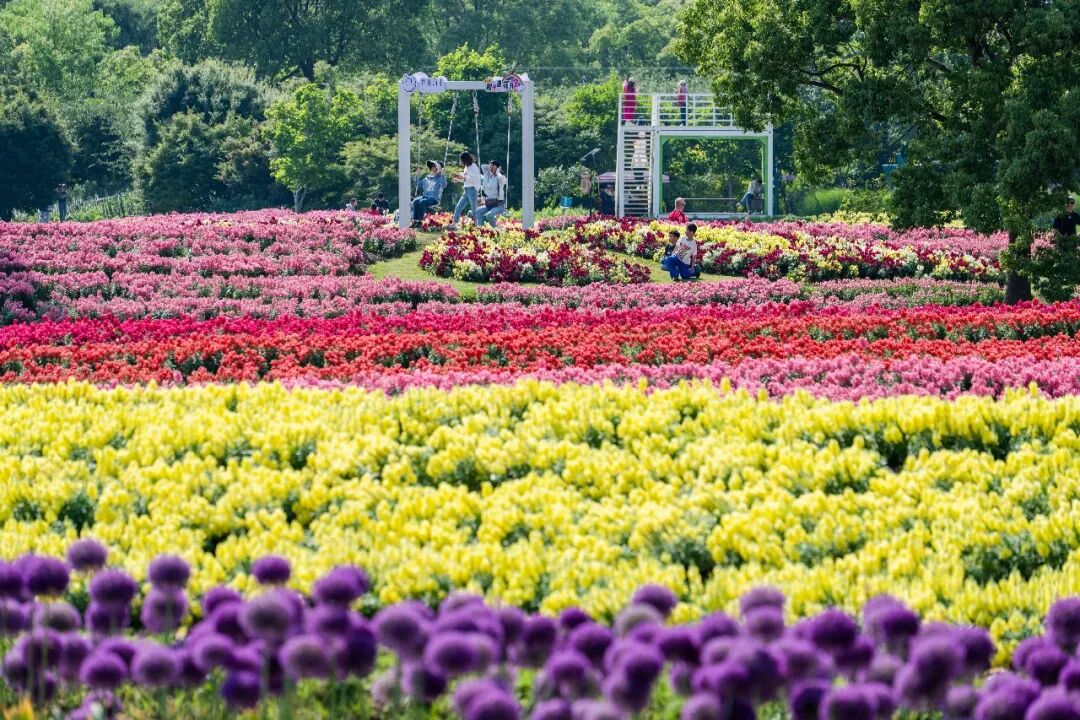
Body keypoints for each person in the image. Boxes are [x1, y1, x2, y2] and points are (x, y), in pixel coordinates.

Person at [449, 152, 481, 230]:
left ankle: (478, 226)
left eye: (461, 160)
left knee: (474, 209)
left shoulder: (473, 167)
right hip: (467, 190)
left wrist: (461, 178)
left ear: (465, 160)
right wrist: (458, 179)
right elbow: (465, 178)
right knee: (458, 207)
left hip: (472, 190)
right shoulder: (467, 167)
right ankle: (454, 225)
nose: (460, 161)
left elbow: (473, 179)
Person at [410, 160, 446, 227]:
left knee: (422, 202)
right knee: (415, 201)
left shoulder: (440, 178)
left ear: (438, 168)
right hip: (425, 197)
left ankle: (419, 221)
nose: (432, 168)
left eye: (434, 166)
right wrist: (417, 175)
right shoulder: (427, 178)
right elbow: (417, 185)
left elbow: (444, 185)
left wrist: (443, 175)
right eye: (432, 166)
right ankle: (415, 220)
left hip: (434, 198)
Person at [476, 160, 508, 228]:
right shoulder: (487, 175)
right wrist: (491, 166)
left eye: (492, 166)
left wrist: (497, 170)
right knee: (478, 211)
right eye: (490, 166)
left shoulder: (499, 177)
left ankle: (495, 229)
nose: (490, 167)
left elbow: (504, 181)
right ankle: (480, 229)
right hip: (489, 204)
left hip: (498, 205)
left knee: (489, 215)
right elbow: (482, 166)